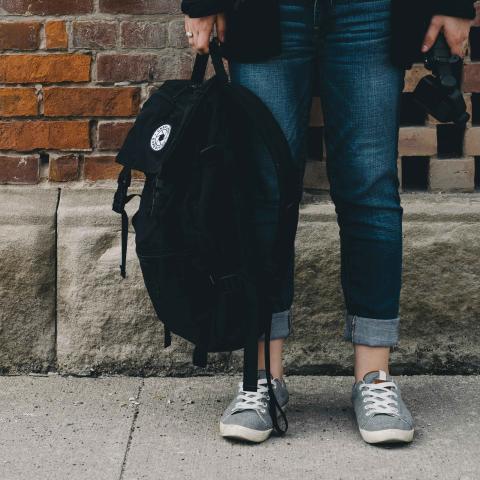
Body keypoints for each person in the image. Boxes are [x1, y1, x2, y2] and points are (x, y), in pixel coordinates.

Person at [180, 0, 476, 444]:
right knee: (265, 191)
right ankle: (261, 377)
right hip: (267, 9)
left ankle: (374, 378)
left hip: (371, 10)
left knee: (370, 186)